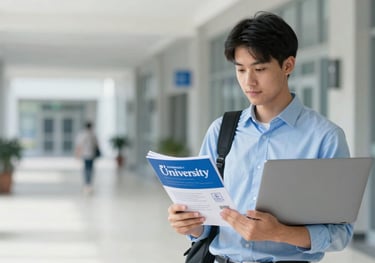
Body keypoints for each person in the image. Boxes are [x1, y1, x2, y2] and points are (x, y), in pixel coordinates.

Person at [167, 11, 353, 263]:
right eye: (240, 70)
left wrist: (280, 233)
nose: (248, 81)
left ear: (288, 65)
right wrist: (190, 225)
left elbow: (341, 233)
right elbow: (207, 223)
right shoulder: (221, 131)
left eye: (260, 69)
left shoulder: (325, 138)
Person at [75, 121, 100, 195]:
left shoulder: (82, 134)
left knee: (86, 169)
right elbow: (97, 145)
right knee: (90, 169)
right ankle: (89, 185)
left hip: (85, 155)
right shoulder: (93, 134)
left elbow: (79, 145)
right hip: (91, 154)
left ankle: (86, 185)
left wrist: (77, 154)